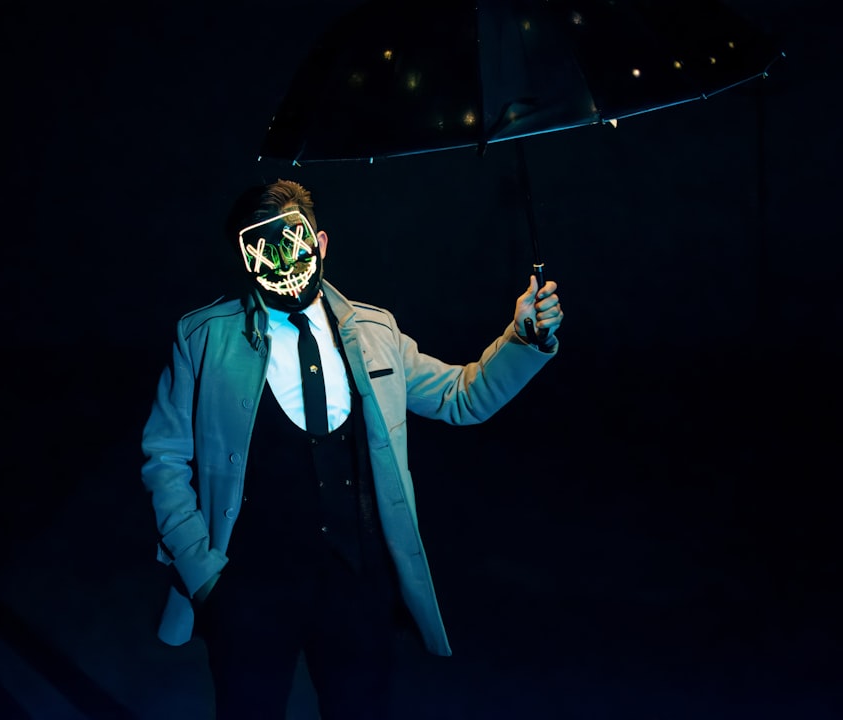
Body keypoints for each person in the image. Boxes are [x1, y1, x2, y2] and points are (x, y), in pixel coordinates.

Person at [140, 179, 563, 719]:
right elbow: (165, 457)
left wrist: (524, 339)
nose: (282, 265)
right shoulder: (202, 338)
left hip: (358, 588)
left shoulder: (376, 331)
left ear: (319, 243)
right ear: (245, 261)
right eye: (263, 254)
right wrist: (205, 577)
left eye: (294, 246)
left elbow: (462, 396)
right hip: (249, 590)